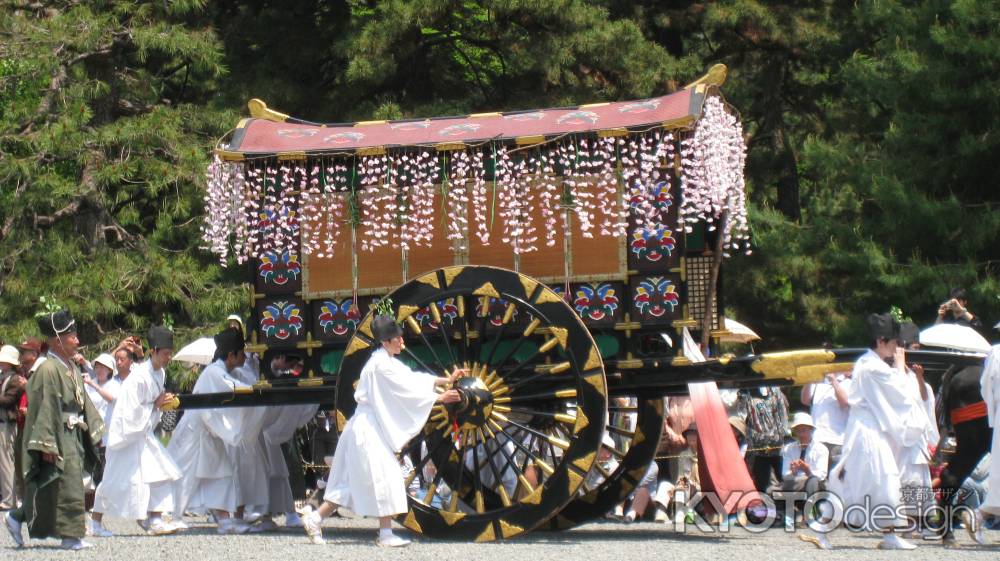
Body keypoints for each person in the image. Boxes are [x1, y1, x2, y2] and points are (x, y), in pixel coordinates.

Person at [300, 314, 462, 547]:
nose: (402, 342)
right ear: (386, 342)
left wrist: (444, 380)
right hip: (368, 430)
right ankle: (384, 535)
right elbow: (405, 392)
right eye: (397, 338)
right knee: (385, 477)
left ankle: (315, 519)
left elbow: (411, 379)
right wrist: (440, 398)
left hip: (365, 427)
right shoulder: (380, 366)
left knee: (353, 481)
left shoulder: (385, 361)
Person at [3, 309, 104, 550]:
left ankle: (16, 517)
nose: (77, 340)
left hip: (72, 432)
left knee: (54, 486)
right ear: (57, 340)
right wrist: (45, 442)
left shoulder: (68, 366)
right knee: (66, 483)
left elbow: (83, 402)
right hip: (56, 434)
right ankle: (70, 536)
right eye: (72, 336)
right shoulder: (48, 369)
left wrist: (94, 429)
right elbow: (44, 407)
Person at [826, 313, 929, 550]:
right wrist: (902, 368)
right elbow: (901, 392)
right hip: (866, 431)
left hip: (870, 429)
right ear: (881, 341)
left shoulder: (869, 363)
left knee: (880, 480)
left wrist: (899, 368)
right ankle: (823, 526)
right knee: (872, 480)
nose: (896, 349)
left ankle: (889, 533)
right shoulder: (872, 367)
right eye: (894, 344)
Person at [90, 326, 182, 537]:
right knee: (115, 480)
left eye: (170, 353)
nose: (169, 357)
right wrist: (155, 406)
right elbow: (129, 411)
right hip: (127, 435)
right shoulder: (138, 377)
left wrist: (161, 404)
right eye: (166, 353)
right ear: (154, 351)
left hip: (144, 432)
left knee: (159, 473)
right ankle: (95, 521)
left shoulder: (161, 373)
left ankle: (155, 519)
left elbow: (154, 403)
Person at [168, 328, 261, 534]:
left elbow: (239, 383)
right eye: (241, 352)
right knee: (184, 473)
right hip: (195, 431)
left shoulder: (225, 371)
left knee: (221, 473)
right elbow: (236, 388)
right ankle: (169, 515)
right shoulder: (214, 372)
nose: (244, 356)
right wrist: (257, 391)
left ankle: (224, 520)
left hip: (209, 431)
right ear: (231, 355)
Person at [801, 369, 851, 471]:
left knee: (837, 479)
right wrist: (809, 379)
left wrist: (833, 380)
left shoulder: (847, 383)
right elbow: (805, 400)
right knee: (818, 478)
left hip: (837, 441)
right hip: (817, 440)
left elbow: (845, 402)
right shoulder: (817, 384)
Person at [0, 345, 26, 511]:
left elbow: (8, 401)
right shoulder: (4, 377)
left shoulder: (15, 379)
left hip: (8, 425)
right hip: (2, 423)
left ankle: (10, 499)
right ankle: (8, 497)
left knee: (7, 463)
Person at [979, 345, 1000, 532]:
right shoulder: (997, 352)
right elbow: (987, 387)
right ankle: (979, 515)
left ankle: (979, 515)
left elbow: (986, 387)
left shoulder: (996, 353)